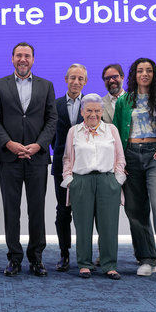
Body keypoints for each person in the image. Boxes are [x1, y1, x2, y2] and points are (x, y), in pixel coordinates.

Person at [112, 58, 156, 283]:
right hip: (131, 157)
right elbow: (115, 134)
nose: (144, 74)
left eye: (149, 70)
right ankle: (146, 258)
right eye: (140, 70)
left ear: (154, 74)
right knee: (134, 210)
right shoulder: (124, 101)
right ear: (133, 74)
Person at [0, 42, 57, 277]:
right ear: (12, 59)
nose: (23, 59)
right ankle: (14, 258)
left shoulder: (46, 85)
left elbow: (51, 120)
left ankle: (37, 258)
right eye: (18, 55)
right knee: (12, 210)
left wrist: (39, 145)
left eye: (27, 56)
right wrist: (9, 144)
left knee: (37, 209)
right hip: (9, 157)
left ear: (33, 59)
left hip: (37, 157)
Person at [61, 94, 125, 280]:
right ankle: (84, 264)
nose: (93, 114)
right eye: (89, 110)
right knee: (83, 226)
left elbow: (120, 157)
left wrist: (117, 180)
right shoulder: (74, 131)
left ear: (102, 111)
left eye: (97, 110)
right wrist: (69, 180)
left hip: (107, 181)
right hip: (81, 181)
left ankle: (109, 265)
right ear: (82, 112)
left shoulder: (111, 130)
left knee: (109, 226)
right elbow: (67, 158)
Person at [51, 64, 87, 272]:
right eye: (72, 78)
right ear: (66, 79)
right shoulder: (54, 104)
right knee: (63, 211)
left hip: (86, 166)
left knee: (85, 212)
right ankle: (64, 254)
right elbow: (51, 134)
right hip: (61, 165)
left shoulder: (91, 104)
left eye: (80, 79)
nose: (76, 82)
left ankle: (85, 255)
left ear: (85, 82)